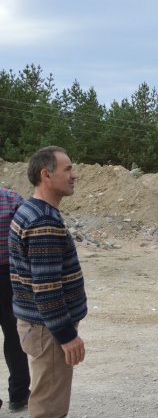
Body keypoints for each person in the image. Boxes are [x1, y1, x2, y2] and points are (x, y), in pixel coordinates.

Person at [9, 146, 87, 417]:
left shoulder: (32, 210)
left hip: (40, 326)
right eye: (67, 169)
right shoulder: (43, 220)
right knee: (49, 408)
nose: (74, 175)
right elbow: (47, 289)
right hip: (49, 331)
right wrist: (67, 337)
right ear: (46, 175)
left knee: (47, 400)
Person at [0, 187, 30, 412]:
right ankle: (19, 396)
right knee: (14, 336)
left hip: (9, 274)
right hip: (9, 277)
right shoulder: (12, 199)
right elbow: (25, 237)